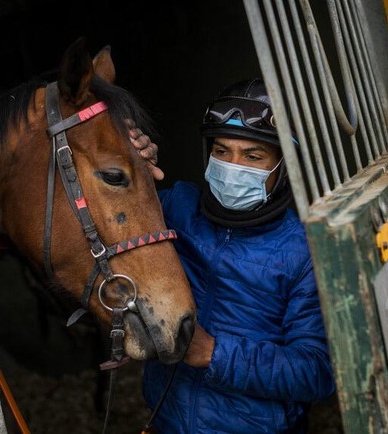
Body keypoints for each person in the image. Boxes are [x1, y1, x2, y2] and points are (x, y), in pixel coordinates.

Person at [130, 78, 336, 434]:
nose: (232, 166)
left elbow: (317, 372)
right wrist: (129, 161)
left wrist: (213, 353)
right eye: (222, 151)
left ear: (283, 166)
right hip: (166, 423)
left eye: (253, 156)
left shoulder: (304, 252)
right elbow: (102, 219)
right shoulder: (176, 207)